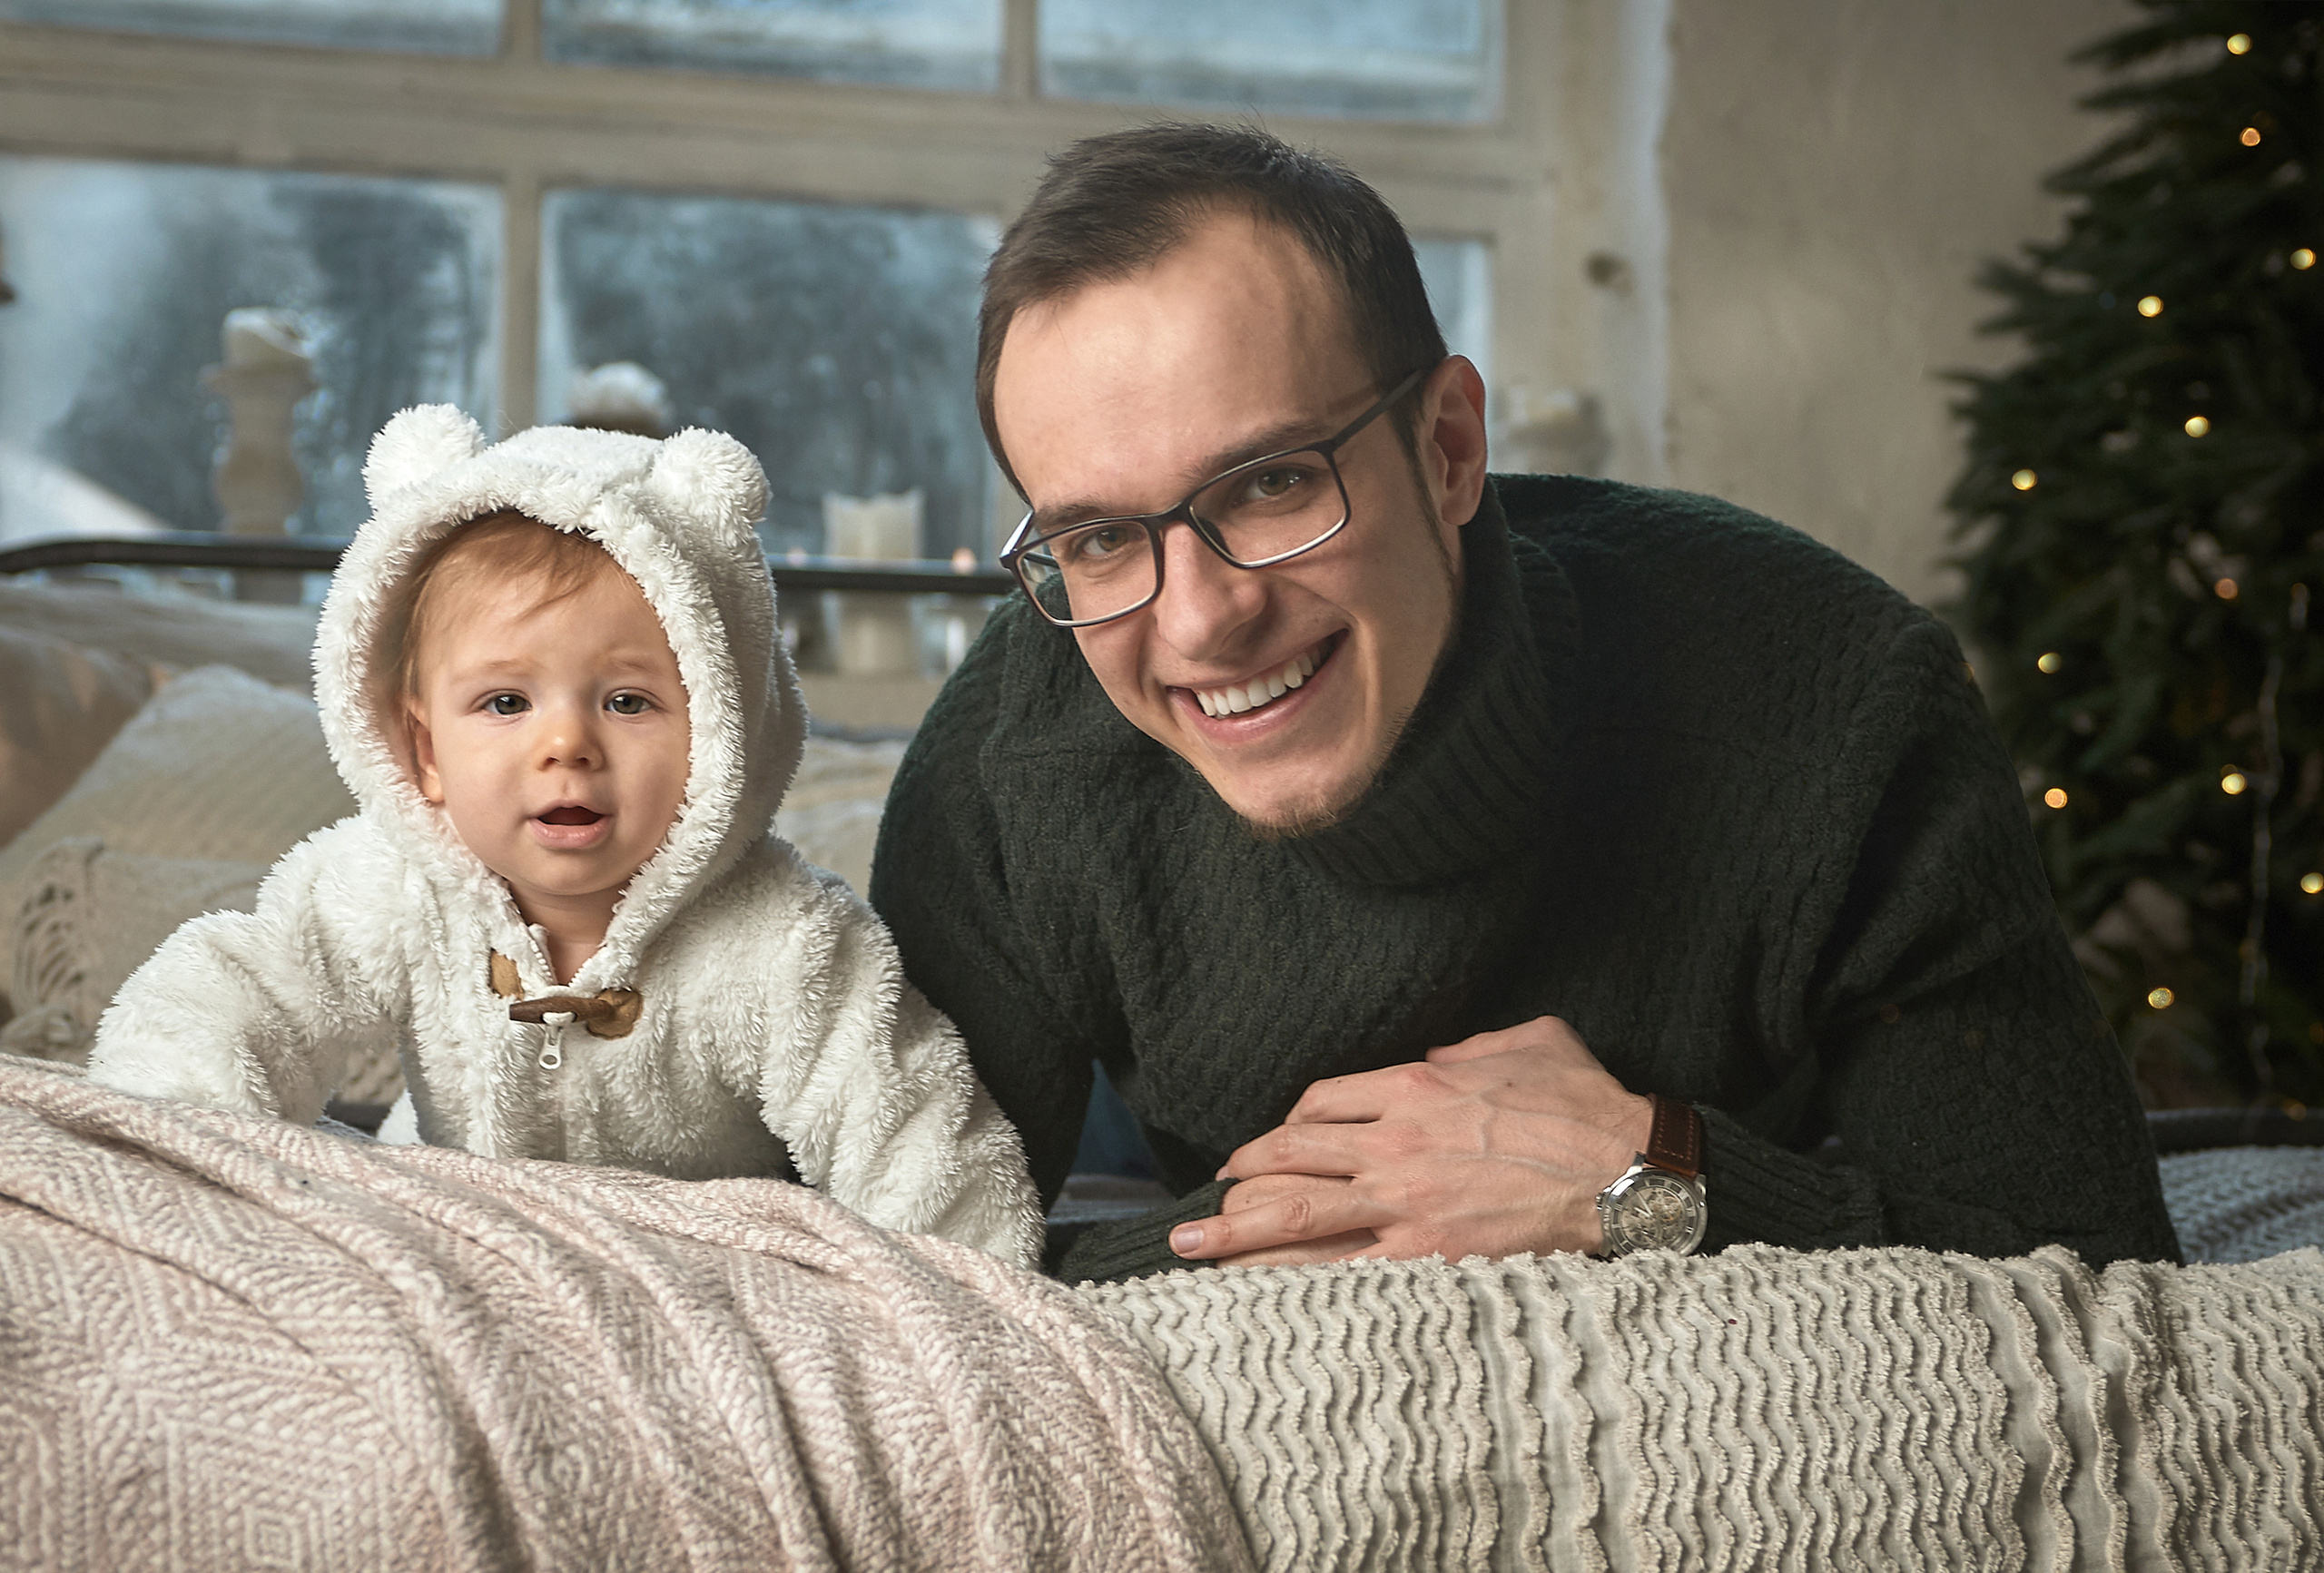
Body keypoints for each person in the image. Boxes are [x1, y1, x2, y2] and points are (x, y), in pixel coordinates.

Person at [870, 123, 2181, 1283]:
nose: (1201, 620)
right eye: (1100, 538)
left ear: (1447, 449)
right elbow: (869, 1280)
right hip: (1143, 1100)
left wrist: (1656, 1175)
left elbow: (2093, 1268)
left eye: (1271, 483)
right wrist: (1256, 1233)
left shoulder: (1841, 703)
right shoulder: (1008, 756)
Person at [88, 408, 1042, 1269]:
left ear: (720, 735)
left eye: (627, 701)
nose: (566, 745)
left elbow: (909, 1125)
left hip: (697, 1266)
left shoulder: (786, 940)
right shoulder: (391, 884)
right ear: (425, 749)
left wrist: (956, 1300)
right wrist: (182, 1178)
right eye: (506, 701)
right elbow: (233, 994)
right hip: (445, 1234)